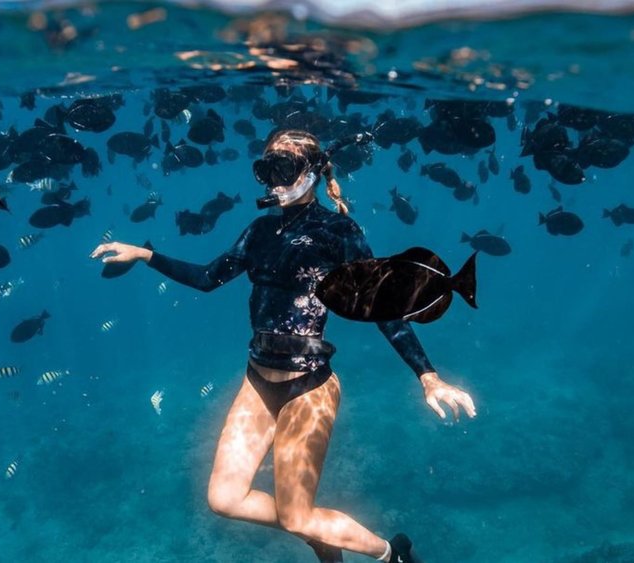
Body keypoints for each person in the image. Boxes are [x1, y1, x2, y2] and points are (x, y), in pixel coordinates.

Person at [90, 129, 476, 562]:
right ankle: (320, 532)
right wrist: (146, 256)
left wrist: (429, 377)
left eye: (284, 169)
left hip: (308, 386)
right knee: (225, 498)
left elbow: (379, 307)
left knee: (297, 516)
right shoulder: (259, 231)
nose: (274, 181)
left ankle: (393, 555)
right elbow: (206, 278)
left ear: (311, 172)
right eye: (266, 170)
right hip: (257, 380)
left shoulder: (338, 230)